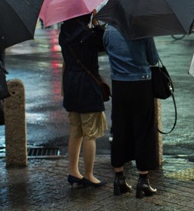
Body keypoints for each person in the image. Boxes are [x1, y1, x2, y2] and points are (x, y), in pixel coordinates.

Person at [104, 23, 159, 198]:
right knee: (144, 131)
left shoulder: (109, 30)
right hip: (141, 84)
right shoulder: (142, 28)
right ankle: (143, 181)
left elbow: (108, 51)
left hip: (119, 85)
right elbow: (153, 59)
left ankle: (119, 178)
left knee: (120, 129)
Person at [59, 12, 108, 188]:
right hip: (87, 86)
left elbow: (66, 59)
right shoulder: (88, 35)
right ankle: (88, 174)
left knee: (75, 131)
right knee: (90, 132)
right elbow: (103, 45)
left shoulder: (64, 30)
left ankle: (73, 171)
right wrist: (96, 24)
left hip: (71, 83)